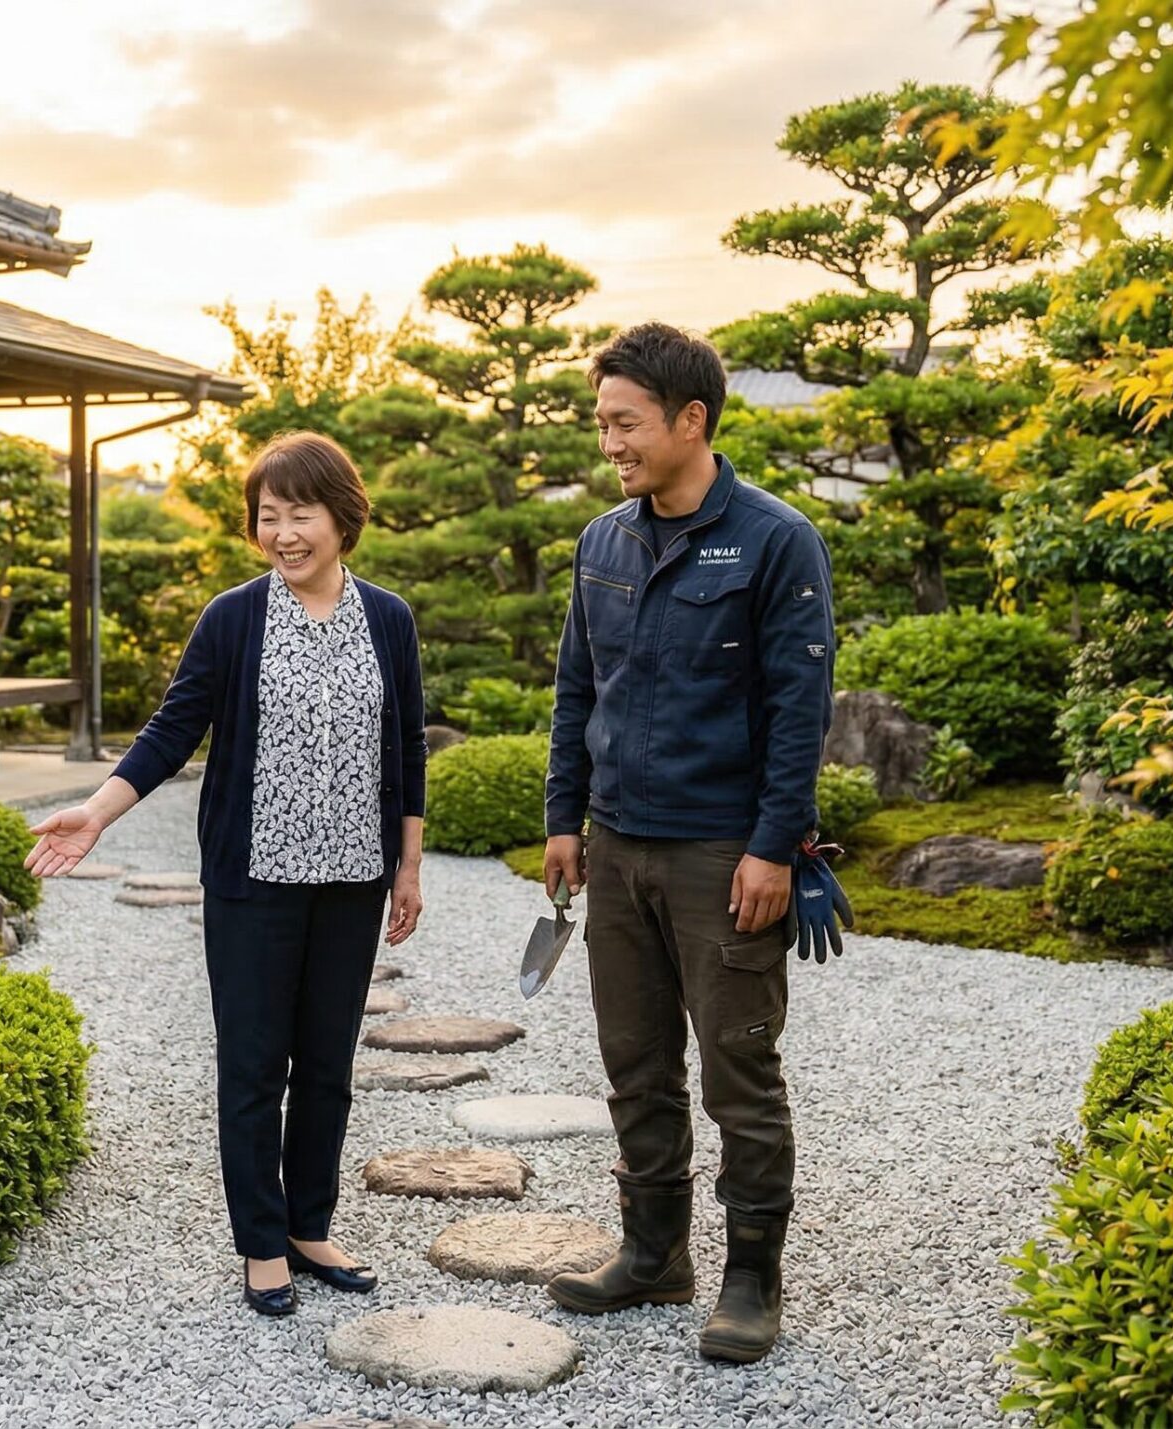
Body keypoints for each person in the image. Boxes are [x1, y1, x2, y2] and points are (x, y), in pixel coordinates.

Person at [23, 431, 428, 1319]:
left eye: (301, 513)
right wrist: (96, 809)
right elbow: (174, 729)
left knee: (326, 1063)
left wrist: (408, 864)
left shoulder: (387, 619)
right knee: (254, 1063)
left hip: (354, 878)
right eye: (268, 515)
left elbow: (405, 746)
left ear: (342, 517)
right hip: (255, 880)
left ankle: (309, 1225)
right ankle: (260, 1241)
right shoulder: (235, 617)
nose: (283, 532)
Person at [540, 322, 837, 1364]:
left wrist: (773, 846)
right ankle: (652, 1252)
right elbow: (579, 687)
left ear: (690, 419)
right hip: (616, 849)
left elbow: (801, 707)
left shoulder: (773, 538)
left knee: (738, 1072)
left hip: (724, 853)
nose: (610, 442)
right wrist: (561, 821)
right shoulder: (602, 541)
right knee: (634, 1065)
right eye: (603, 423)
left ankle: (752, 1279)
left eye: (625, 423)